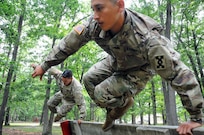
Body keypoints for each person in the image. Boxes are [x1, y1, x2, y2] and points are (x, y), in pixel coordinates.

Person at [31, 0, 203, 134]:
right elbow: (68, 43)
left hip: (139, 69)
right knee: (88, 79)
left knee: (100, 93)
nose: (95, 15)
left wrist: (196, 117)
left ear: (120, 5)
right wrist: (45, 65)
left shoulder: (148, 39)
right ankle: (114, 108)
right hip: (115, 60)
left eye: (100, 8)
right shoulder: (94, 24)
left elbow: (179, 74)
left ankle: (117, 110)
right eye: (93, 9)